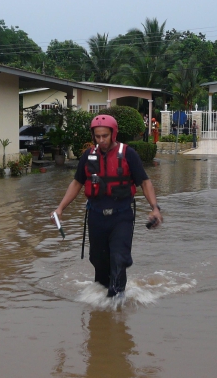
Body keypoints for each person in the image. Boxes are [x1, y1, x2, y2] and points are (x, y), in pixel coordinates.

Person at [52, 115, 163, 298]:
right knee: (99, 261)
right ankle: (101, 307)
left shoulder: (128, 154)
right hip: (96, 217)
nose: (101, 140)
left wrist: (155, 208)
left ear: (113, 133)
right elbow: (77, 184)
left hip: (122, 217)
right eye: (98, 136)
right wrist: (60, 208)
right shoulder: (88, 156)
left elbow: (144, 182)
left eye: (105, 136)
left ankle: (116, 303)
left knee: (119, 259)